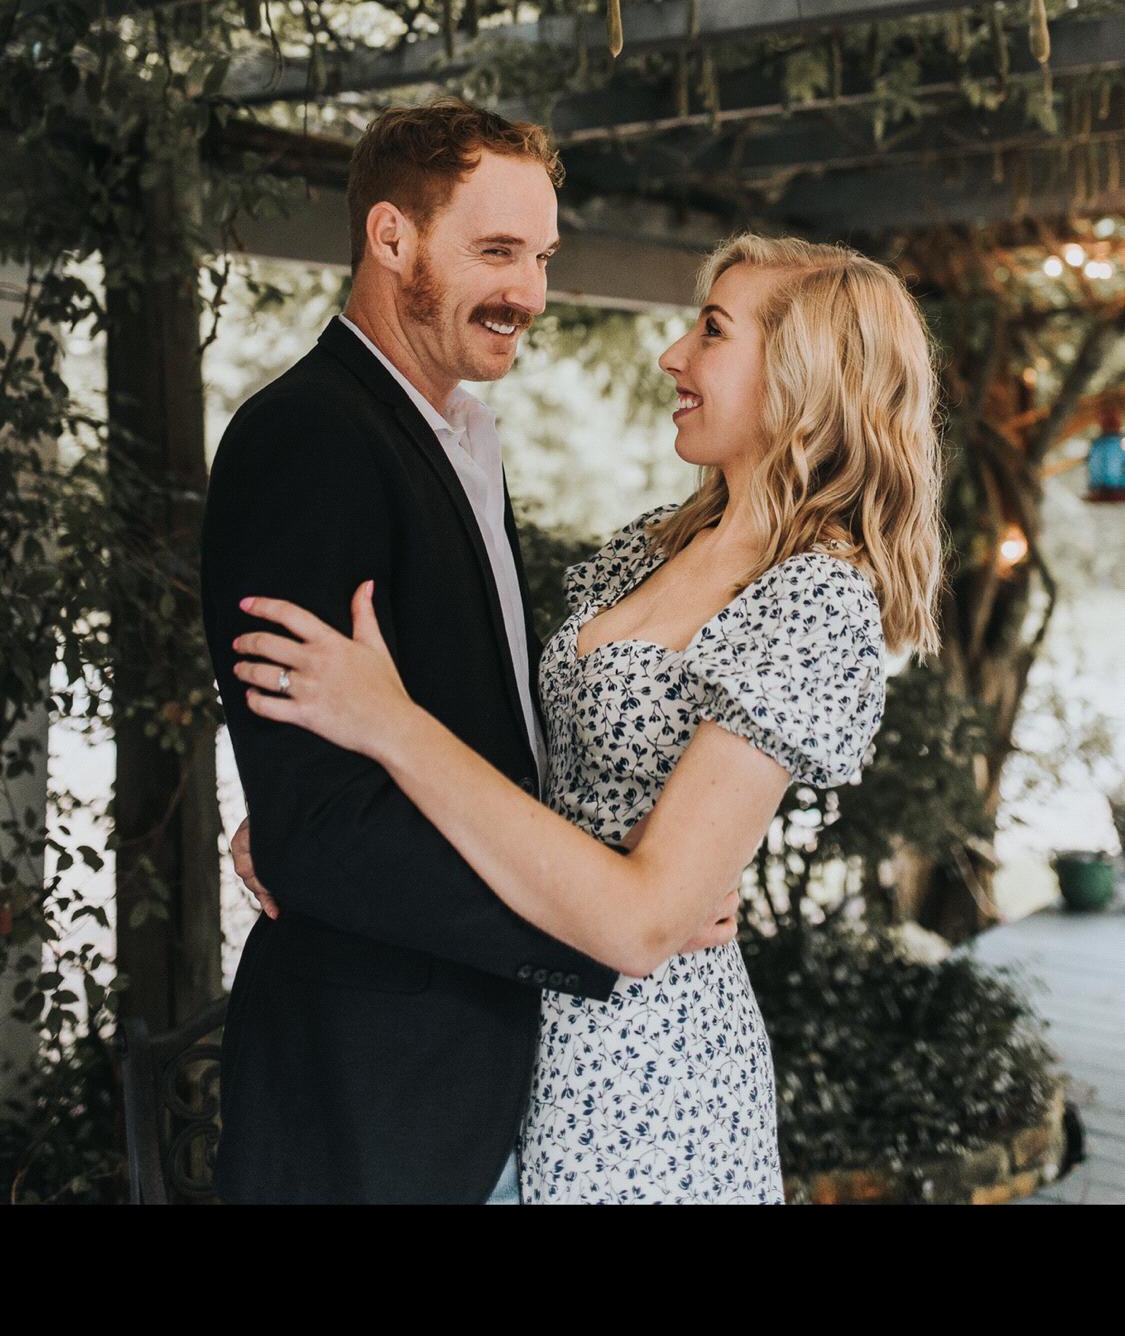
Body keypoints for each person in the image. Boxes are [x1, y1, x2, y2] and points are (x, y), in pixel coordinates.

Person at [230, 221, 946, 1204]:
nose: (672, 355)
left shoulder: (814, 598)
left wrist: (389, 725)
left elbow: (645, 921)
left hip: (646, 1078)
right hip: (511, 1036)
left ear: (805, 373)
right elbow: (533, 776)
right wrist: (322, 817)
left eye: (713, 329)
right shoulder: (651, 549)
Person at [201, 97, 741, 1206]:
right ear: (391, 237)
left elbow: (487, 733)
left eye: (542, 257)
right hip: (377, 1083)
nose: (529, 294)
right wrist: (611, 925)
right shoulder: (306, 435)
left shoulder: (464, 432)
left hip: (489, 1071)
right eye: (497, 252)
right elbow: (323, 827)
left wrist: (649, 873)